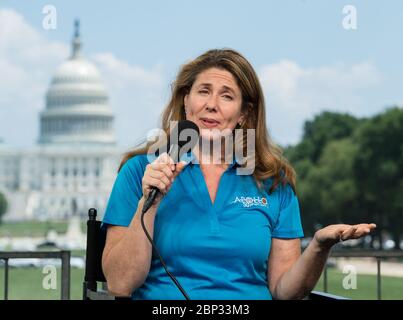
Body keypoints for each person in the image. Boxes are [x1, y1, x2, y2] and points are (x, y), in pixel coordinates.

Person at [101, 49, 376, 300]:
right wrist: (148, 203)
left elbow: (284, 291)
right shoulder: (139, 171)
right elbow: (119, 284)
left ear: (244, 113)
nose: (212, 104)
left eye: (227, 96)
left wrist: (318, 246)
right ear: (186, 101)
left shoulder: (273, 183)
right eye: (204, 91)